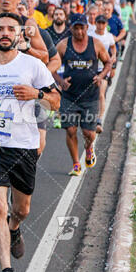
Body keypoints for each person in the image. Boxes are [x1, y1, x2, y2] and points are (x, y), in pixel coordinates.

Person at [0, 12, 60, 272]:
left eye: (10, 29)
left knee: (21, 209)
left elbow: (55, 102)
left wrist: (37, 94)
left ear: (19, 34)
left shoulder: (32, 65)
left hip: (23, 144)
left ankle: (14, 227)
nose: (4, 33)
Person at [55, 14, 111, 176]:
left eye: (82, 27)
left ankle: (88, 148)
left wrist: (101, 77)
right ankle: (76, 164)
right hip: (69, 96)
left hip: (90, 97)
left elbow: (108, 62)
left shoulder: (96, 44)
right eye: (76, 28)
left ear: (87, 27)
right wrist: (60, 80)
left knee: (89, 133)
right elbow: (50, 65)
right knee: (71, 130)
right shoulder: (63, 45)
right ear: (71, 28)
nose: (79, 31)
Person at [88, 14, 116, 134]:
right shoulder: (90, 35)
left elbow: (113, 48)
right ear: (96, 23)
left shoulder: (109, 36)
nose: (100, 25)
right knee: (90, 93)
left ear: (106, 24)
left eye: (103, 23)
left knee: (101, 93)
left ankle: (99, 120)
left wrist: (113, 59)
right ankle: (89, 116)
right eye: (98, 23)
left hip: (104, 68)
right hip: (91, 67)